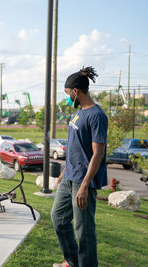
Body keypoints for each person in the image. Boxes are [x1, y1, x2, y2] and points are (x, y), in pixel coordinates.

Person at [51, 67, 108, 267]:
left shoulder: (96, 115)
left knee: (83, 230)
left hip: (84, 181)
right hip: (69, 177)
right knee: (58, 218)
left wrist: (84, 185)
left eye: (68, 93)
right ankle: (72, 261)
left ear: (76, 91)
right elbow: (76, 147)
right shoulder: (79, 113)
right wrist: (65, 171)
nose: (67, 97)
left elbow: (98, 153)